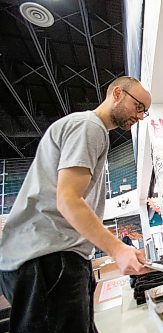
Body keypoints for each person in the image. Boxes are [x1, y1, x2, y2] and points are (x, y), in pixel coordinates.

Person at [0, 76, 152, 332]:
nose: (140, 116)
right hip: (48, 260)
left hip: (49, 259)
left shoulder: (86, 129)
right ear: (117, 94)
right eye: (138, 107)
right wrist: (117, 249)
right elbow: (67, 199)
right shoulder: (89, 126)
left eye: (144, 112)